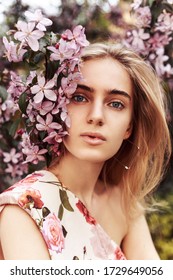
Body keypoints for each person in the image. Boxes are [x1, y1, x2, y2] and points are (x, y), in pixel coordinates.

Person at [0, 42, 171, 260]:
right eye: (79, 97)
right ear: (56, 108)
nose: (96, 115)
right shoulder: (22, 210)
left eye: (116, 104)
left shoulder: (124, 204)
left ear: (129, 127)